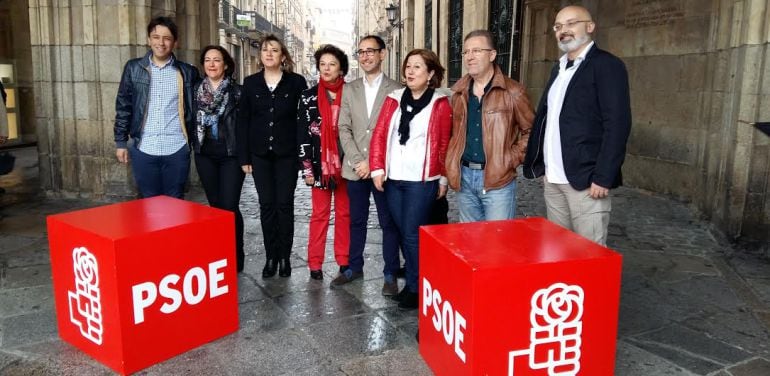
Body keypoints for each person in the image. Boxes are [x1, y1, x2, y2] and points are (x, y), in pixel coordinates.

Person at [523, 5, 632, 246]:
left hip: (586, 181)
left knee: (590, 255)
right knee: (558, 251)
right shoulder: (559, 68)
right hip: (554, 180)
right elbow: (548, 120)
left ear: (590, 27)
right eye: (558, 26)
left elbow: (617, 124)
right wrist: (543, 165)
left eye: (571, 23)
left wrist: (604, 176)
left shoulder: (606, 65)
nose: (564, 30)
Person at [369, 49, 451, 309]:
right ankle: (417, 281)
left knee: (413, 234)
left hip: (423, 179)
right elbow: (380, 135)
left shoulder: (440, 103)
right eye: (408, 66)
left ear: (431, 74)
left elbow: (444, 145)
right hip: (394, 178)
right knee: (404, 232)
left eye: (417, 67)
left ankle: (417, 288)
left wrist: (443, 179)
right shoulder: (393, 99)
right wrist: (377, 168)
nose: (410, 71)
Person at [445, 30, 534, 222]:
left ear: (492, 55)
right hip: (465, 177)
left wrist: (510, 158)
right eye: (466, 52)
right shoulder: (458, 94)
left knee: (498, 243)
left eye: (476, 50)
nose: (470, 56)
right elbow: (453, 133)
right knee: (469, 241)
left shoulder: (513, 92)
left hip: (497, 179)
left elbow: (532, 132)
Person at [336, 35, 403, 292]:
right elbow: (344, 128)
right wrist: (357, 160)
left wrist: (375, 163)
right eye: (361, 52)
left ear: (382, 54)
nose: (365, 56)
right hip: (355, 169)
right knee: (356, 220)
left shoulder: (397, 89)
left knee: (388, 222)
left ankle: (389, 273)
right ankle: (354, 266)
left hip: (383, 171)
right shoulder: (349, 89)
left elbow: (396, 133)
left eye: (370, 51)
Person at [238, 34, 307, 278]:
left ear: (283, 56)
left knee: (284, 206)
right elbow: (243, 120)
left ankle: (285, 258)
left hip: (287, 154)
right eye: (265, 50)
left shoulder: (296, 83)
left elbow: (303, 122)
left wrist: (303, 157)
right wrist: (244, 157)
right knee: (266, 205)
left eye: (274, 50)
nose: (269, 53)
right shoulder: (250, 83)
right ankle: (270, 257)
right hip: (259, 155)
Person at [114, 16, 200, 198]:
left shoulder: (187, 72)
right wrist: (121, 142)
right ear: (149, 40)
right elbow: (123, 105)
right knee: (148, 203)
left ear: (175, 42)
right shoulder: (133, 68)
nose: (161, 43)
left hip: (176, 148)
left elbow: (203, 99)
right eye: (156, 37)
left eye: (167, 38)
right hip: (144, 147)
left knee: (176, 202)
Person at [190, 46, 245, 272]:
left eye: (217, 60)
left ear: (226, 64)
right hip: (205, 154)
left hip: (231, 154)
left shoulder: (238, 92)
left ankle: (236, 255)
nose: (212, 64)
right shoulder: (194, 90)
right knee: (215, 207)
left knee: (229, 206)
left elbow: (244, 126)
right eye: (208, 60)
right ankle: (221, 253)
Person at [297, 45, 350, 281]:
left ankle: (344, 259)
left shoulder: (351, 94)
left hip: (346, 166)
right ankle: (315, 262)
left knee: (344, 213)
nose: (326, 69)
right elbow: (302, 134)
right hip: (319, 167)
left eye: (332, 64)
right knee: (319, 214)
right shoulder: (308, 96)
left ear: (341, 69)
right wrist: (307, 168)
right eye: (322, 64)